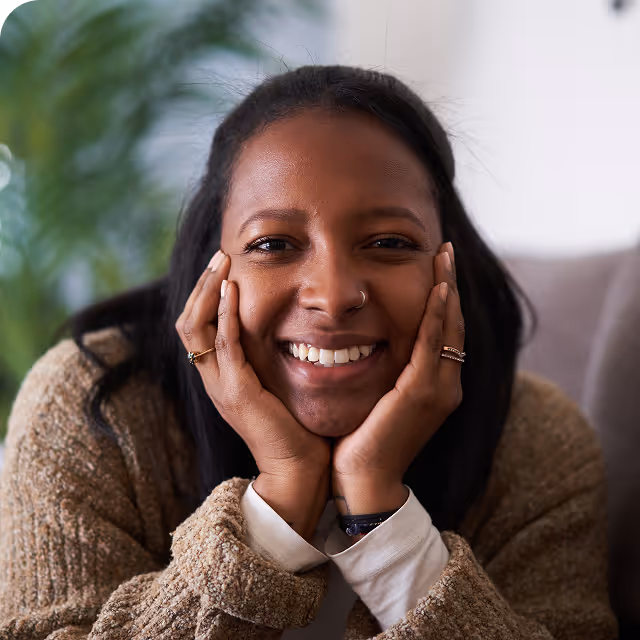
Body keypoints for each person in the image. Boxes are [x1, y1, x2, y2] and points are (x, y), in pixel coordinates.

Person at [0, 66, 617, 639]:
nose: (333, 295)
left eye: (387, 241)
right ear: (211, 266)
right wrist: (277, 504)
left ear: (446, 262)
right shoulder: (92, 408)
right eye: (273, 243)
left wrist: (382, 516)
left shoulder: (536, 440)